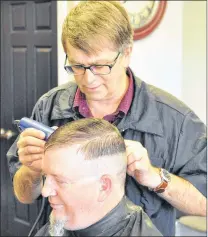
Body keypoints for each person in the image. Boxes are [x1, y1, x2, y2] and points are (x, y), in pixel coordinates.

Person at [7, 1, 206, 236]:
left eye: (100, 66)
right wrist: (31, 170)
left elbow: (203, 206)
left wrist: (154, 177)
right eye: (77, 66)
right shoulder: (49, 108)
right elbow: (23, 195)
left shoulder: (177, 122)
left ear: (127, 53)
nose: (88, 80)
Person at [35, 118, 162, 236]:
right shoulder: (64, 219)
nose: (45, 191)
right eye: (46, 176)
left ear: (103, 187)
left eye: (60, 181)